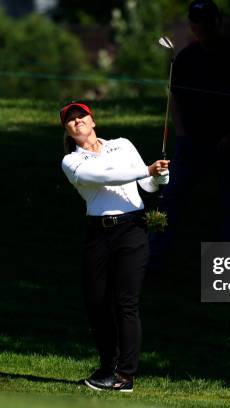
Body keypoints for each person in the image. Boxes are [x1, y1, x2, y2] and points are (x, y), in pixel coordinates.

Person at [60, 102, 170, 392]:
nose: (77, 121)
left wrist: (159, 175)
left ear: (92, 120)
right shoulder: (72, 162)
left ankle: (125, 376)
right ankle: (107, 366)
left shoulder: (122, 145)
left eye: (81, 116)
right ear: (68, 132)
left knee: (126, 303)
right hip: (99, 234)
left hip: (132, 230)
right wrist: (145, 170)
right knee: (96, 303)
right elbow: (102, 177)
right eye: (70, 121)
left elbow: (148, 185)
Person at [150, 0, 230, 268]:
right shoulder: (185, 58)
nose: (201, 27)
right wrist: (182, 134)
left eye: (206, 21)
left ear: (218, 22)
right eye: (196, 21)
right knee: (171, 200)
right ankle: (153, 259)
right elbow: (176, 100)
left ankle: (227, 266)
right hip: (191, 143)